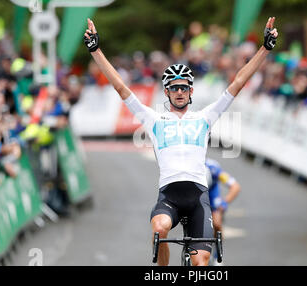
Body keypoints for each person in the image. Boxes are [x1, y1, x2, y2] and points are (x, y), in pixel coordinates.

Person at [83, 17, 278, 266]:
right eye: (174, 88)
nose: (179, 92)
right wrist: (96, 51)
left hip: (198, 198)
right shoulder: (154, 119)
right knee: (160, 228)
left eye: (183, 88)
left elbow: (237, 83)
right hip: (170, 196)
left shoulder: (205, 118)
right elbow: (121, 88)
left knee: (200, 264)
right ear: (166, 92)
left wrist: (265, 49)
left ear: (191, 91)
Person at [205, 157, 240, 265]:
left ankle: (217, 256)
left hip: (211, 195)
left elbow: (235, 186)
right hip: (196, 194)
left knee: (217, 224)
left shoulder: (214, 169)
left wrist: (224, 202)